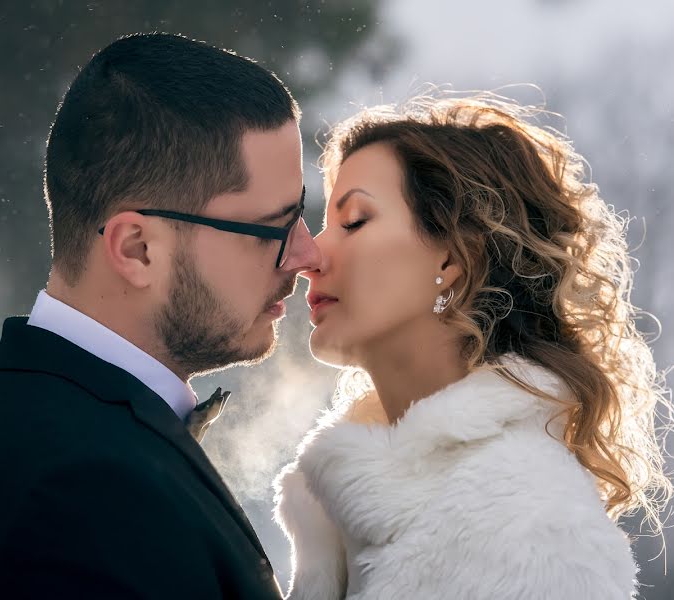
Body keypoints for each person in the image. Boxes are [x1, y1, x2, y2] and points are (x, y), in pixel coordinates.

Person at [0, 32, 320, 599]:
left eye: (301, 213)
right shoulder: (76, 492)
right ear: (137, 249)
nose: (308, 255)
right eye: (274, 227)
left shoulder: (77, 434)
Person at [274, 92, 671, 599]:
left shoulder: (533, 524)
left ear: (454, 259)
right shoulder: (334, 509)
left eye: (353, 222)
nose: (310, 254)